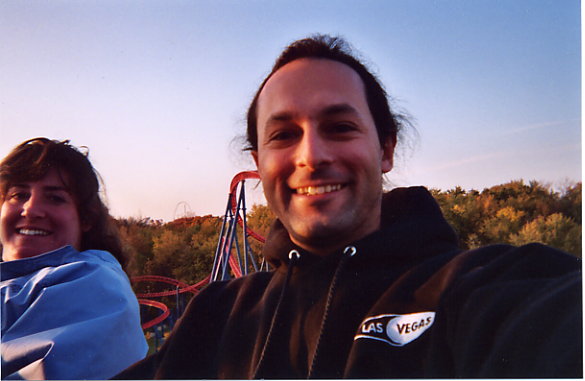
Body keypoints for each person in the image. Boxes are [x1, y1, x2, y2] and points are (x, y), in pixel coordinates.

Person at [116, 35, 581, 379]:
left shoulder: (482, 288)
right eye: (283, 135)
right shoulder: (216, 317)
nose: (312, 155)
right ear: (259, 163)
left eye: (339, 126)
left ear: (385, 149)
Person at [1, 138, 148, 380]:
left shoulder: (95, 284)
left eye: (55, 198)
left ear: (86, 219)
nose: (30, 209)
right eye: (18, 194)